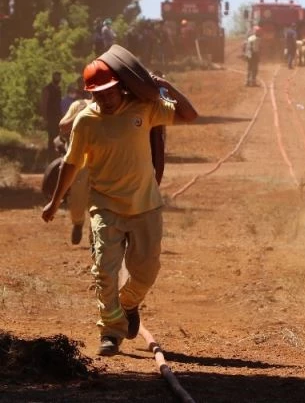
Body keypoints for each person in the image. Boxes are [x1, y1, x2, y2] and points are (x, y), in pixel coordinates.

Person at [41, 59, 198, 356]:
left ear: (121, 87)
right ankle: (110, 332)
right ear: (90, 94)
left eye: (109, 92)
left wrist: (165, 86)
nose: (105, 98)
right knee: (104, 270)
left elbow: (189, 114)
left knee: (146, 271)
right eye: (97, 94)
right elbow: (71, 163)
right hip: (105, 206)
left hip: (145, 205)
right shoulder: (85, 120)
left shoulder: (144, 108)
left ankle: (127, 304)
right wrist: (53, 201)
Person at [58, 94, 92, 245]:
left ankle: (96, 236)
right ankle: (78, 223)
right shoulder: (78, 105)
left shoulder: (115, 105)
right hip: (80, 163)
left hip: (105, 162)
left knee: (101, 203)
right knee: (77, 200)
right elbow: (63, 126)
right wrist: (81, 114)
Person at [41, 71, 63, 160]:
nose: (58, 78)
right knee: (51, 138)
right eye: (57, 76)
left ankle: (56, 158)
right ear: (53, 77)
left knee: (58, 138)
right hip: (50, 117)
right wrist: (44, 118)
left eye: (59, 77)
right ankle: (50, 158)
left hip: (58, 117)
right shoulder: (47, 89)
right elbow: (44, 103)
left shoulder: (59, 89)